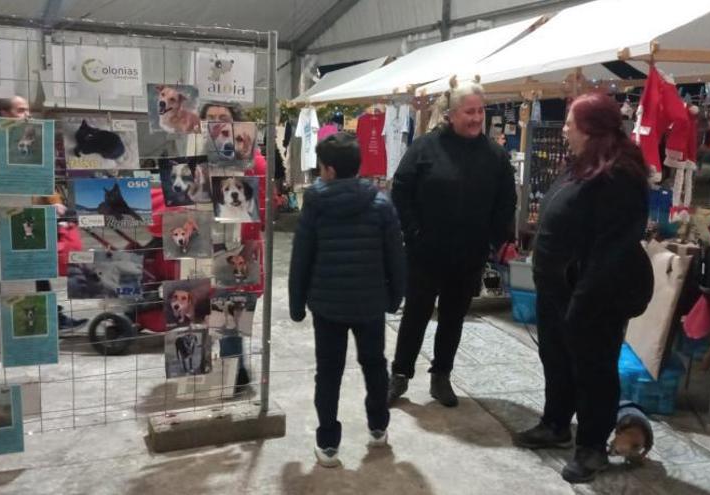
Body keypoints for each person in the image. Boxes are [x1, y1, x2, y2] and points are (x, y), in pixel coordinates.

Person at [512, 93, 653, 484]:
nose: (564, 129)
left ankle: (591, 447)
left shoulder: (619, 174)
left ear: (589, 128)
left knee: (594, 370)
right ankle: (556, 423)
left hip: (594, 296)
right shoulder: (583, 165)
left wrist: (583, 301)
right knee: (556, 359)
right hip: (559, 290)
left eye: (569, 123)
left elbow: (612, 250)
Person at [387, 81, 517, 407]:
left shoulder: (495, 156)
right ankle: (399, 375)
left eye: (480, 111)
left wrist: (494, 240)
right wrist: (413, 232)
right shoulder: (425, 148)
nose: (476, 118)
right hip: (424, 253)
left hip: (469, 255)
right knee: (415, 314)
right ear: (451, 114)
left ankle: (441, 375)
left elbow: (506, 201)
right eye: (469, 111)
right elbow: (401, 190)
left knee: (453, 317)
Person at [288, 132, 406, 468]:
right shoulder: (381, 203)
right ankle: (379, 427)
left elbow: (301, 257)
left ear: (327, 169)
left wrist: (297, 303)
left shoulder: (315, 203)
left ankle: (328, 445)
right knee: (374, 365)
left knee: (328, 373)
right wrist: (396, 296)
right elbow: (395, 256)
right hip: (369, 304)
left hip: (327, 306)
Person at [0, 95, 86, 330]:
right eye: (20, 111)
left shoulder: (29, 137)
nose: (27, 115)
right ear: (2, 113)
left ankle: (51, 317)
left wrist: (53, 201)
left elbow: (41, 174)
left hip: (28, 215)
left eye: (27, 110)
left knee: (36, 268)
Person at [200, 102, 267, 394]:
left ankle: (234, 372)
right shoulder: (195, 162)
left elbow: (264, 209)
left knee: (234, 316)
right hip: (204, 250)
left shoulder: (257, 163)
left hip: (243, 249)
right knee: (214, 316)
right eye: (210, 119)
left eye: (223, 119)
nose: (216, 124)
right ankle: (232, 369)